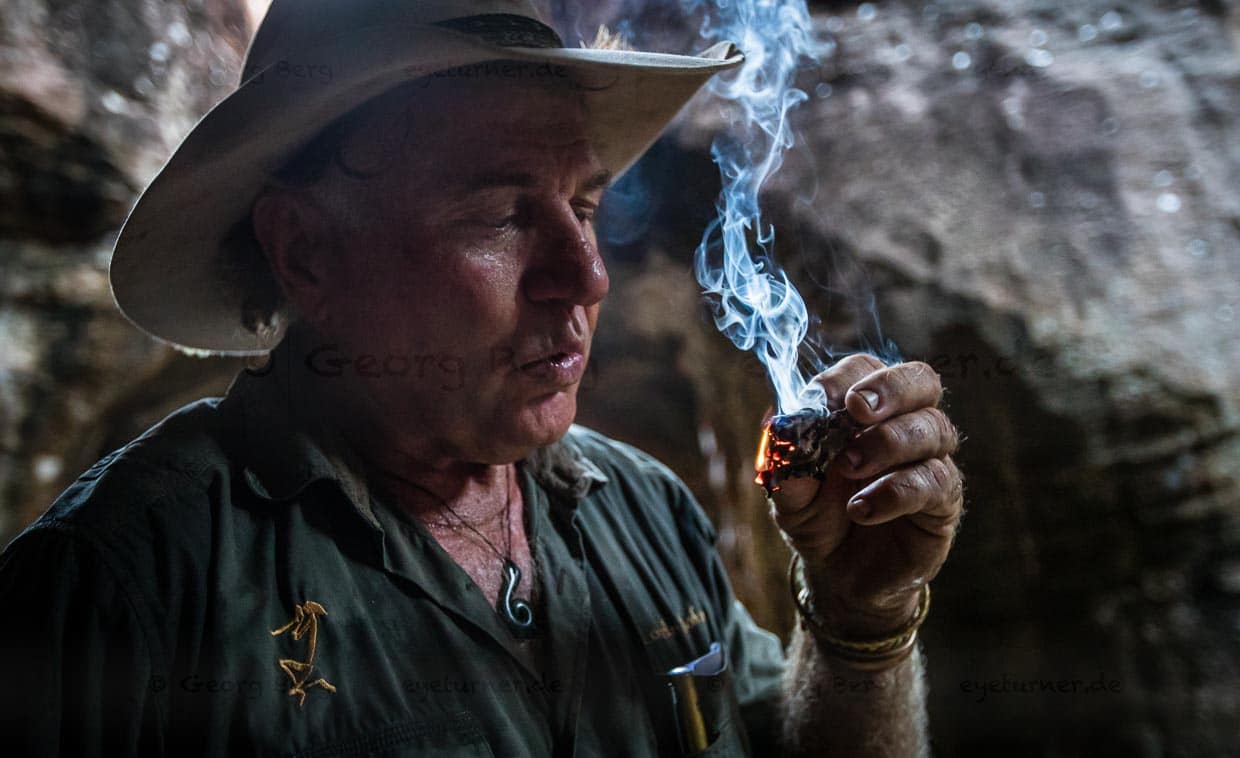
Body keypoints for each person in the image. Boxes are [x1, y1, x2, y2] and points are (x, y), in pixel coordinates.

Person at [0, 2, 964, 756]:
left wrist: (858, 623)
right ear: (306, 253)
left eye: (584, 206)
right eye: (500, 215)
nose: (585, 275)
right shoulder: (126, 588)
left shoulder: (646, 513)